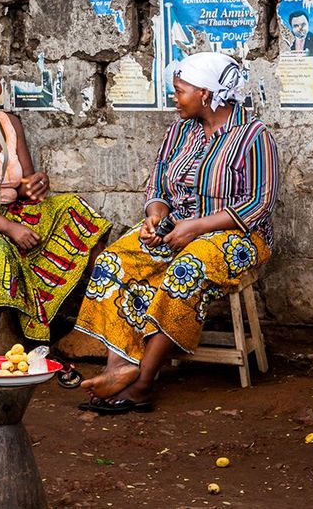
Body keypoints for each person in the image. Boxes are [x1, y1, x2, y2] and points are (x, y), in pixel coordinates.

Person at [74, 52, 278, 414]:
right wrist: (155, 218)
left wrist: (197, 227)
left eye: (180, 90)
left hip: (240, 237)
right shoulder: (179, 131)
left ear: (205, 93)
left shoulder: (253, 136)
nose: (174, 97)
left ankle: (141, 384)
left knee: (185, 269)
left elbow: (258, 203)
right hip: (177, 228)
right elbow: (157, 185)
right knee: (114, 260)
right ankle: (116, 366)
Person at [0, 51, 111, 383]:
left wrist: (36, 183)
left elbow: (27, 183)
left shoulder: (8, 123)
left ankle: (91, 323)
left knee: (74, 211)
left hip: (11, 213)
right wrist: (9, 228)